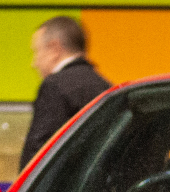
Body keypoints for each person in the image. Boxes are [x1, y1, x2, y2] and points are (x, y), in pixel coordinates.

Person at [19, 16, 110, 170]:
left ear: (54, 49)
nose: (34, 63)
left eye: (36, 52)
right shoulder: (105, 87)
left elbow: (37, 153)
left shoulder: (54, 86)